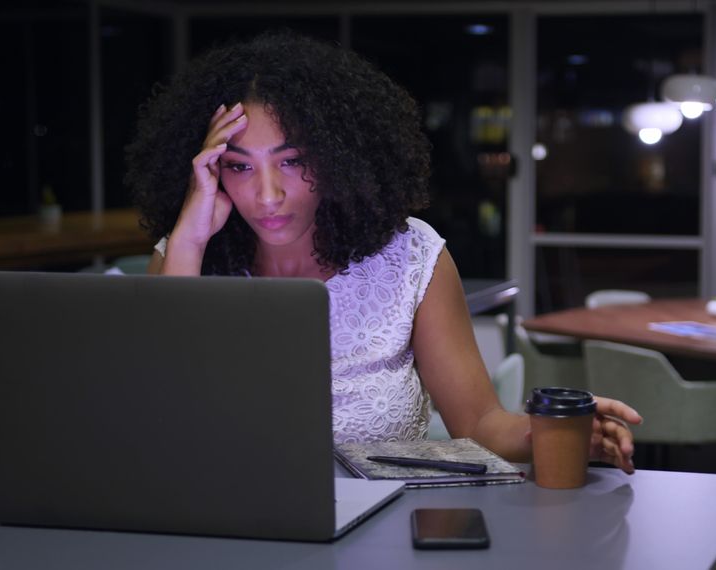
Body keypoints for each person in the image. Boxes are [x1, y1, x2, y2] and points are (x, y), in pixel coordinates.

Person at [125, 31, 641, 472]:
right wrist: (189, 240)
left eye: (292, 161)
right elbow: (157, 415)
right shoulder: (182, 261)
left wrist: (551, 432)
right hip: (228, 527)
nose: (267, 194)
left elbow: (480, 424)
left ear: (337, 158)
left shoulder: (412, 256)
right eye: (238, 166)